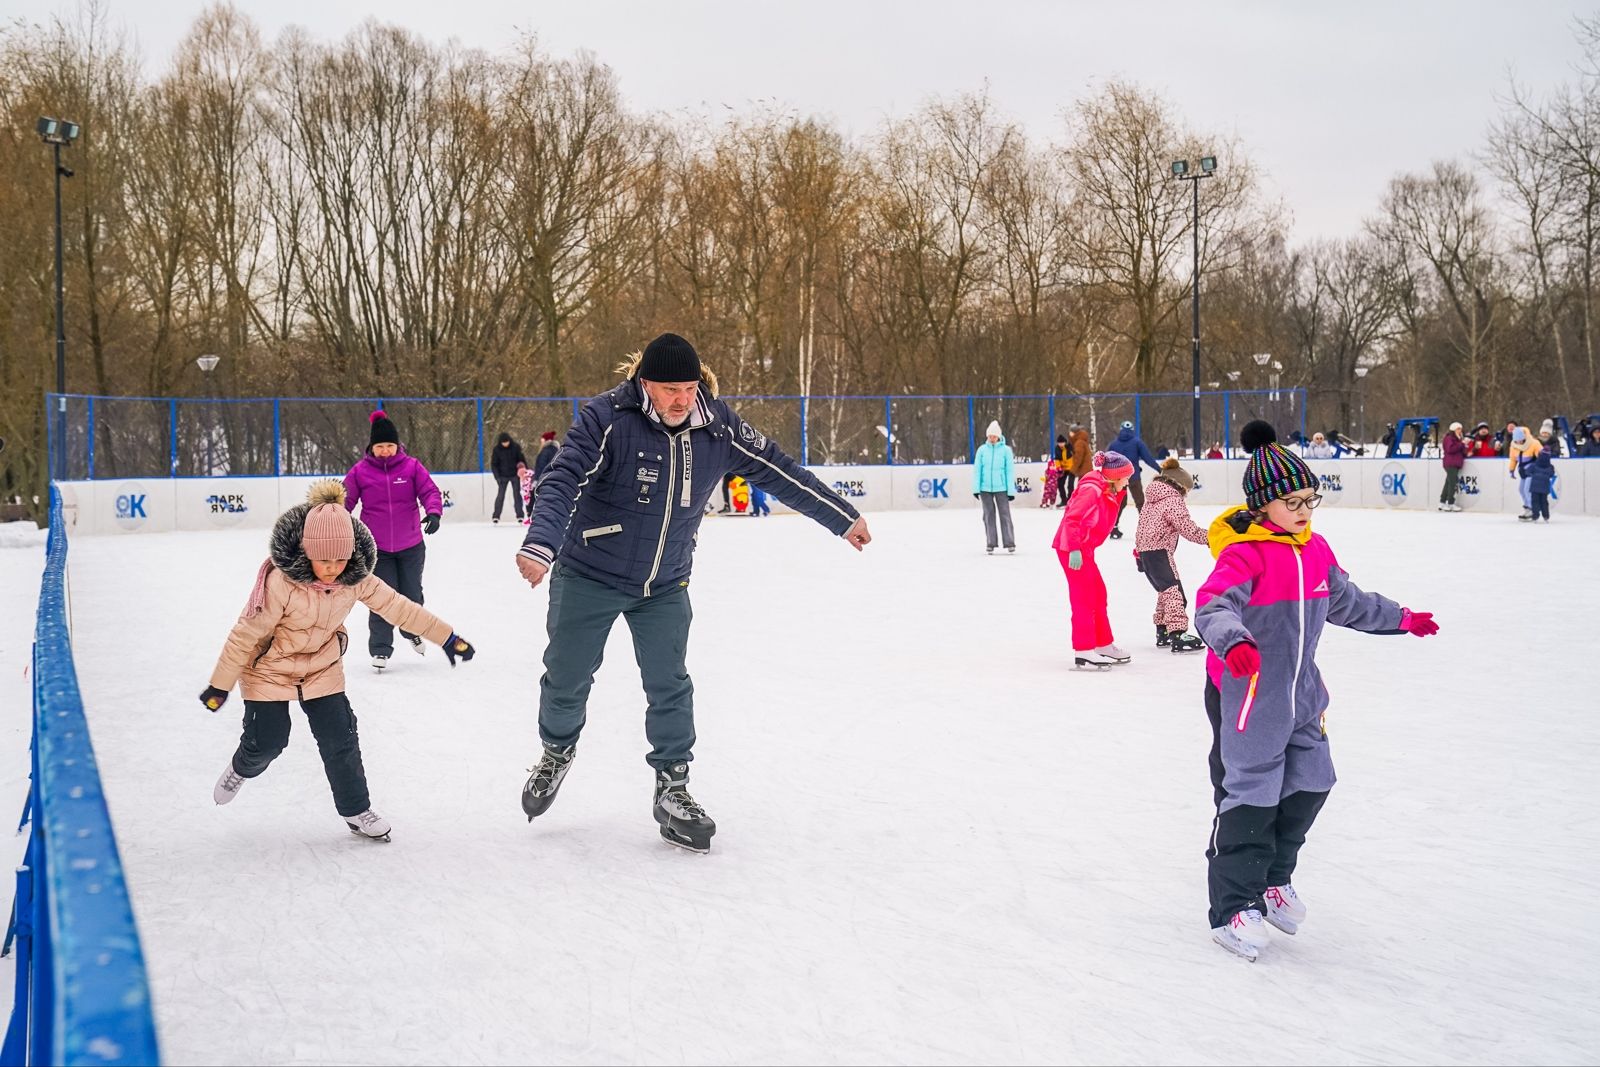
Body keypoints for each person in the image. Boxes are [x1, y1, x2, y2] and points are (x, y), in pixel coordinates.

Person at [513, 332, 871, 852]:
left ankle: (673, 787)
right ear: (644, 384)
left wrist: (842, 517)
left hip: (664, 583)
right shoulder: (607, 418)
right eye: (668, 389)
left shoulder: (718, 426)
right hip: (589, 572)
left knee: (670, 683)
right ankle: (556, 750)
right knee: (567, 679)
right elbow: (563, 478)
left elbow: (779, 471)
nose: (681, 399)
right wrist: (542, 543)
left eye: (688, 387)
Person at [1194, 420, 1437, 961]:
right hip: (1249, 694)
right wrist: (1233, 641)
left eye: (1309, 498)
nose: (1303, 510)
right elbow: (1212, 605)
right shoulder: (1246, 555)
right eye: (1290, 500)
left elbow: (1346, 600)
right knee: (1252, 794)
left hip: (1302, 695)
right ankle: (1235, 908)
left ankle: (1274, 880)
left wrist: (1402, 618)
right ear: (1262, 506)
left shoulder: (1316, 550)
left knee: (1310, 782)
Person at [200, 481, 476, 841]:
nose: (332, 568)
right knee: (268, 741)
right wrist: (220, 686)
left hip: (321, 667)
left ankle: (356, 810)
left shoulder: (355, 578)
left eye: (340, 559)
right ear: (306, 551)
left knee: (341, 737)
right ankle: (241, 768)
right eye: (324, 559)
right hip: (268, 668)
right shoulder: (281, 583)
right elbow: (245, 635)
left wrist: (447, 637)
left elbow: (399, 607)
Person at [344, 411, 444, 670]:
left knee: (412, 595)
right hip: (377, 549)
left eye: (389, 445)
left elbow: (430, 491)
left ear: (397, 445)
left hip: (411, 544)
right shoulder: (360, 472)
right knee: (382, 599)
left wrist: (433, 512)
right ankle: (380, 649)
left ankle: (411, 631)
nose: (386, 451)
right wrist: (332, 519)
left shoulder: (411, 467)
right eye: (380, 446)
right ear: (371, 447)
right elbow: (345, 500)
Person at [1055, 450, 1134, 670]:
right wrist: (1074, 549)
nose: (1128, 481)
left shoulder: (1107, 489)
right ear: (1115, 476)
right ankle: (1084, 650)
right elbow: (1072, 519)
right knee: (1084, 597)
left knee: (1098, 593)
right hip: (1071, 548)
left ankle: (1103, 644)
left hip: (1084, 548)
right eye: (1126, 477)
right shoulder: (1092, 490)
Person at [1133, 457, 1209, 653]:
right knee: (1175, 594)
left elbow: (1141, 528)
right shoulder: (1173, 499)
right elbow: (1187, 528)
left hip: (1146, 552)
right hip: (1159, 552)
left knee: (1165, 592)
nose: (1186, 496)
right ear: (1180, 486)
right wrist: (1210, 537)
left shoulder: (1152, 499)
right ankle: (1178, 634)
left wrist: (1139, 554)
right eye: (1187, 491)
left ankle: (1163, 630)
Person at [1107, 420, 1162, 540]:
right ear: (1132, 430)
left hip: (1118, 479)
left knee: (1119, 503)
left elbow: (1107, 461)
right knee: (1140, 502)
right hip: (1134, 477)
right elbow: (1148, 458)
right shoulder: (1137, 442)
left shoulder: (1114, 444)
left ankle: (1113, 528)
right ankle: (1147, 529)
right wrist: (1159, 469)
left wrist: (1107, 476)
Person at [973, 420, 1016, 555]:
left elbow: (1009, 471)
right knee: (988, 515)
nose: (992, 438)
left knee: (1005, 515)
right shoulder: (981, 450)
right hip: (985, 488)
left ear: (999, 436)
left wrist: (1010, 490)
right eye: (990, 436)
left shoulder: (1006, 450)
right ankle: (991, 543)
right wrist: (976, 488)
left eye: (994, 436)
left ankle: (1009, 542)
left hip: (1001, 488)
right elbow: (977, 470)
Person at [490, 431, 528, 524]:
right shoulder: (497, 450)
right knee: (500, 496)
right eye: (503, 442)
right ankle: (496, 516)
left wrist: (523, 472)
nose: (505, 444)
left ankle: (520, 515)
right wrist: (497, 477)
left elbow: (521, 460)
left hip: (515, 475)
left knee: (517, 495)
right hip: (502, 476)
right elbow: (494, 464)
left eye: (507, 442)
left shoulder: (516, 447)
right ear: (500, 442)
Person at [1507, 426, 1541, 520]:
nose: (1519, 442)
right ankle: (1527, 508)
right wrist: (1511, 470)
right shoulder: (1513, 446)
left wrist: (1538, 467)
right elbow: (1513, 459)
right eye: (1517, 441)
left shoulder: (1534, 443)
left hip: (1532, 471)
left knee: (1527, 490)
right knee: (1521, 490)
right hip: (1523, 472)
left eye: (1521, 440)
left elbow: (1542, 457)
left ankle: (1532, 509)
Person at [1439, 421, 1467, 511]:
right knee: (1453, 483)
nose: (1460, 430)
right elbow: (1450, 449)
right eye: (1458, 429)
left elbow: (1460, 451)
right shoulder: (1449, 438)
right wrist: (1461, 444)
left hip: (1455, 463)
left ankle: (1442, 502)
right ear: (1453, 429)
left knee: (1448, 483)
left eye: (1461, 429)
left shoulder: (1458, 439)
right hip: (1450, 463)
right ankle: (1450, 503)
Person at [1525, 448, 1556, 522]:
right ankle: (1546, 516)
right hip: (1544, 486)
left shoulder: (1534, 465)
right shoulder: (1550, 466)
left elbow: (1527, 472)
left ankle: (1535, 516)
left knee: (1535, 501)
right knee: (1544, 501)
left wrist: (1533, 475)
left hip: (1535, 486)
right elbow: (1551, 474)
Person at [1067, 425, 1092, 500]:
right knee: (1084, 488)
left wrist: (1072, 470)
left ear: (1074, 432)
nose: (1069, 434)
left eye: (1070, 432)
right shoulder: (1082, 440)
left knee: (1082, 489)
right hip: (1086, 469)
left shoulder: (1079, 442)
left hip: (1083, 470)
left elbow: (1078, 458)